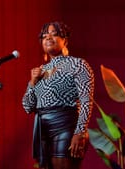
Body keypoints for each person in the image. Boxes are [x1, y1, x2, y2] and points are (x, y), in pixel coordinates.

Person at [22, 21, 95, 169]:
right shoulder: (40, 71)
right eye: (44, 36)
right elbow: (27, 106)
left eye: (54, 34)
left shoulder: (77, 64)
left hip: (66, 126)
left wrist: (79, 132)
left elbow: (86, 100)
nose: (48, 37)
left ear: (65, 41)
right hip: (43, 130)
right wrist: (32, 82)